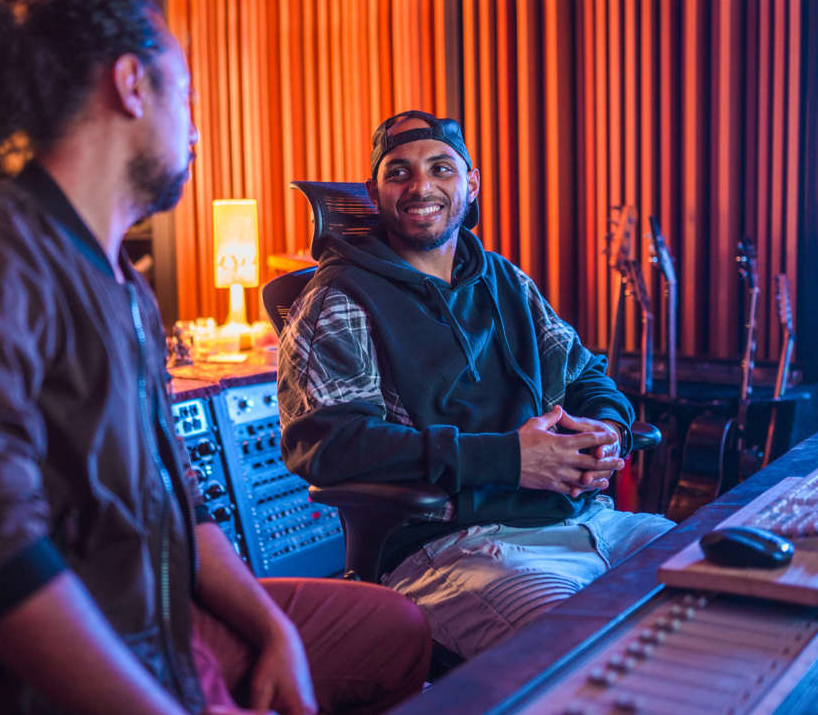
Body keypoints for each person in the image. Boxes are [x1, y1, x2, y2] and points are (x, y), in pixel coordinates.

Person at [0, 0, 430, 715]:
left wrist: (273, 631)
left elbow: (177, 494)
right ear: (129, 83)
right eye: (185, 94)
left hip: (148, 617)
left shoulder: (121, 280)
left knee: (395, 631)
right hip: (2, 687)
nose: (195, 130)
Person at [277, 110, 674, 660]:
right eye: (399, 172)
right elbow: (328, 445)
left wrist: (607, 428)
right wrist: (508, 459)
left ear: (472, 183)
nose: (421, 187)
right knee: (582, 658)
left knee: (724, 587)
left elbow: (584, 372)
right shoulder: (339, 299)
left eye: (440, 168)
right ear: (373, 193)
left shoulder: (504, 279)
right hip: (461, 546)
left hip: (590, 520)